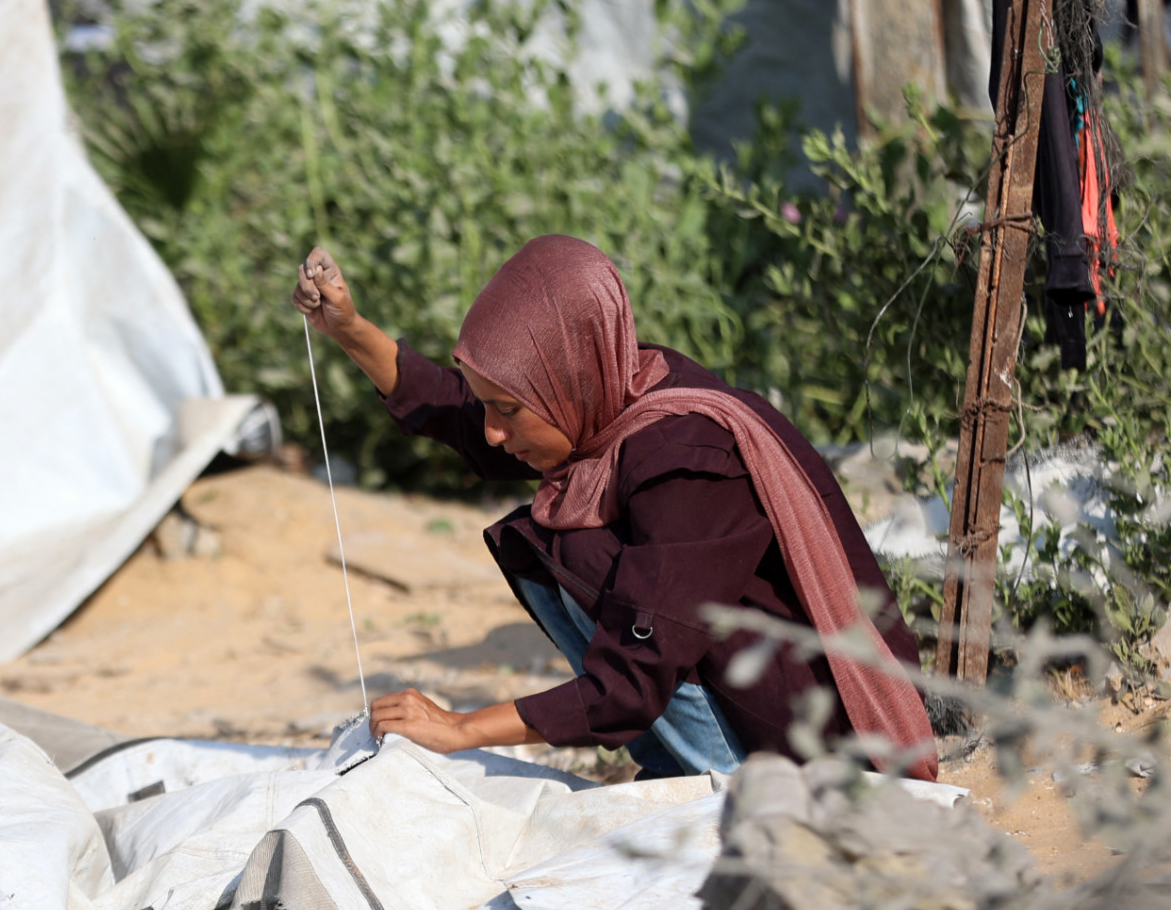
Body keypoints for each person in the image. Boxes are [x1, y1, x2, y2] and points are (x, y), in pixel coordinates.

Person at [291, 236, 938, 781]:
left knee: (580, 549)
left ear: (566, 382)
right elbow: (463, 417)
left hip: (825, 746)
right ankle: (677, 775)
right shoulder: (610, 390)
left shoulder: (688, 456)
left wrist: (460, 728)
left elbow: (635, 671)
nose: (490, 430)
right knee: (571, 540)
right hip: (755, 691)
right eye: (490, 404)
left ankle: (719, 786)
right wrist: (349, 330)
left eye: (507, 409)